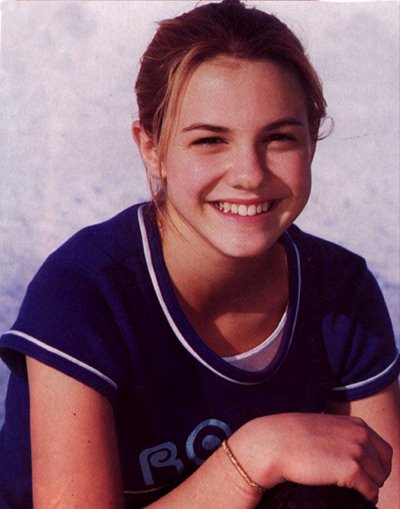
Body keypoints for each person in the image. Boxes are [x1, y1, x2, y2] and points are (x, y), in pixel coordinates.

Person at [0, 1, 399, 508]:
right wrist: (255, 454)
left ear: (312, 141)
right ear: (152, 149)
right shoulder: (86, 292)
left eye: (279, 138)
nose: (249, 174)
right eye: (210, 140)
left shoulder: (340, 288)